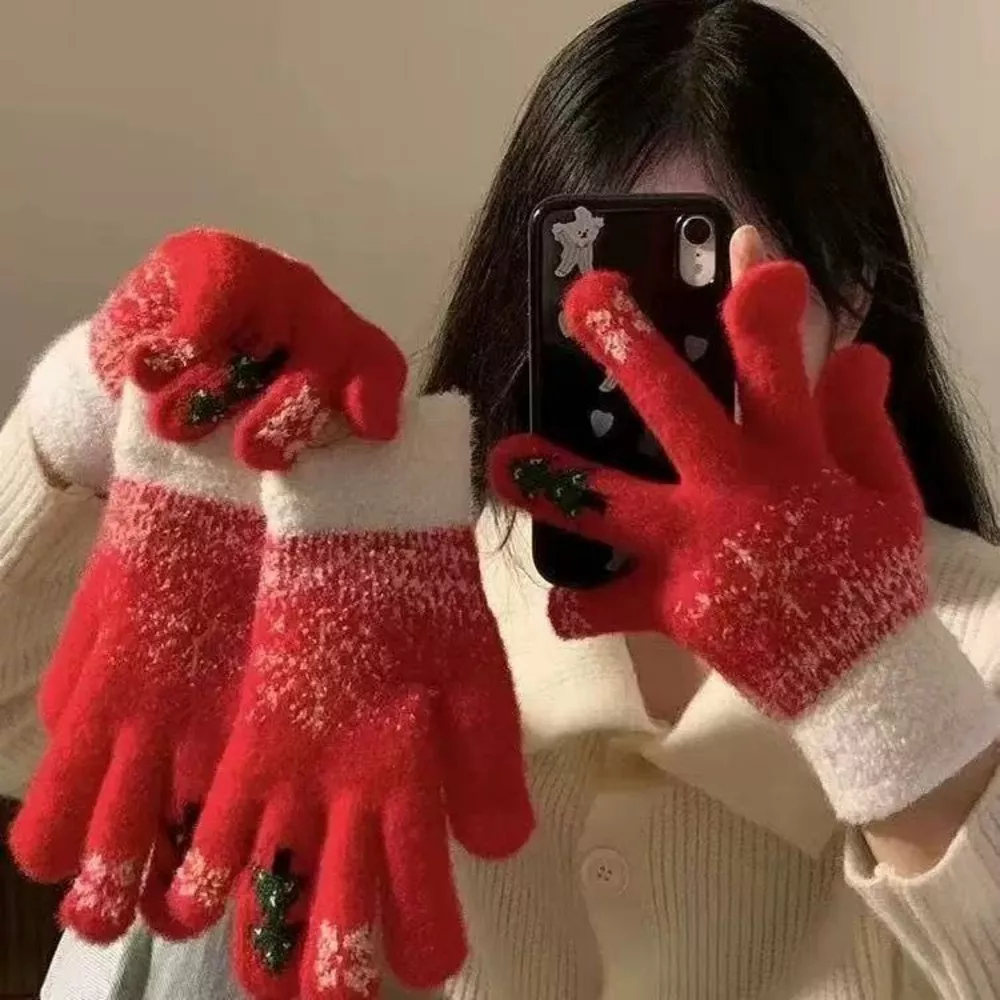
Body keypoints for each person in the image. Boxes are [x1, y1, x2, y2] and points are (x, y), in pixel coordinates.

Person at [2, 0, 999, 997]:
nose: (645, 359)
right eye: (598, 291)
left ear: (850, 299)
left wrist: (876, 687)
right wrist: (93, 403)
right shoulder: (383, 592)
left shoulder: (980, 636)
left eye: (700, 293)